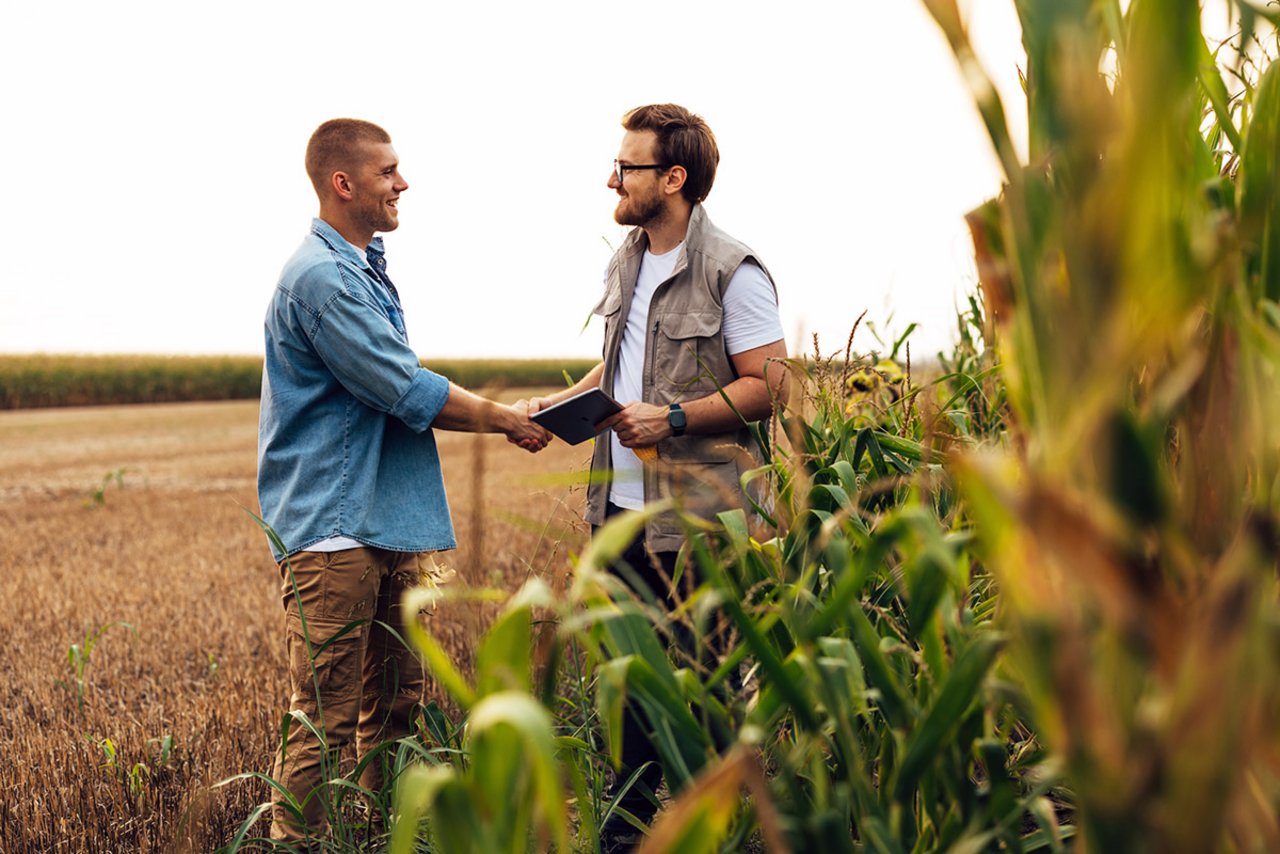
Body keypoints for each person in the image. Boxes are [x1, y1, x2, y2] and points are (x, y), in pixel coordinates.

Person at [256, 118, 550, 843]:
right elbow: (402, 387)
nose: (403, 183)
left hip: (382, 521)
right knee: (323, 715)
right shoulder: (322, 280)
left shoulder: (359, 266)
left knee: (396, 703)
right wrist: (505, 419)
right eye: (389, 171)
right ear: (343, 183)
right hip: (335, 532)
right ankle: (300, 845)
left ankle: (382, 832)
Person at [530, 103, 787, 843]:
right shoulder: (627, 259)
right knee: (627, 697)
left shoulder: (732, 272)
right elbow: (616, 367)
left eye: (628, 166)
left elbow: (770, 387)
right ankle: (625, 838)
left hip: (698, 527)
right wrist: (559, 405)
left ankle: (709, 832)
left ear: (673, 178)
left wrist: (670, 418)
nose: (611, 177)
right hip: (619, 522)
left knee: (702, 702)